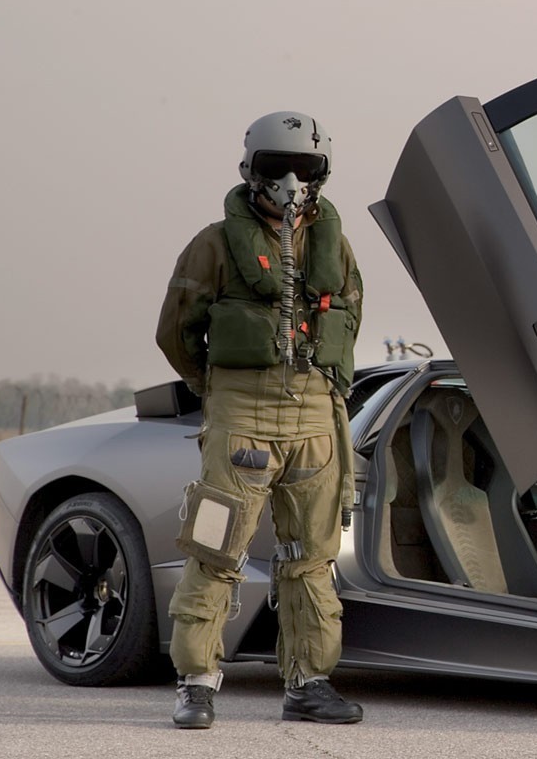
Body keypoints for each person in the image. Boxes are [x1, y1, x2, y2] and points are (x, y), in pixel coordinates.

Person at [155, 112, 365, 728]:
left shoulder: (335, 247)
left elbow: (347, 321)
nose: (291, 181)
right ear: (252, 171)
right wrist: (215, 389)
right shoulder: (215, 244)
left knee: (312, 555)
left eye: (305, 168)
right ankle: (195, 684)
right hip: (241, 415)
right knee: (217, 548)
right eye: (278, 168)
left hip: (314, 420)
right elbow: (176, 332)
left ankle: (309, 682)